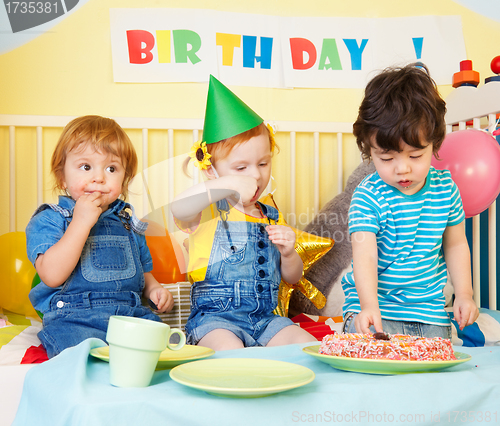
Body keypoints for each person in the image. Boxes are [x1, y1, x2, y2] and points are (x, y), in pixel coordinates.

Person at [171, 75, 316, 350]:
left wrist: (289, 253)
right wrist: (225, 186)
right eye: (241, 168)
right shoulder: (208, 209)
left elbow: (292, 278)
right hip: (216, 320)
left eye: (263, 163)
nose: (255, 175)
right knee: (232, 355)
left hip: (266, 321)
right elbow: (178, 208)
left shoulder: (270, 214)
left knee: (306, 349)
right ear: (211, 170)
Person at [341, 63, 479, 339]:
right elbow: (364, 256)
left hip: (430, 314)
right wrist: (368, 305)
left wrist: (465, 294)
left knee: (435, 370)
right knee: (370, 360)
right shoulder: (368, 196)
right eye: (387, 158)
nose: (402, 169)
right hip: (377, 312)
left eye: (415, 156)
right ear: (369, 150)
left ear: (435, 144)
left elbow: (455, 244)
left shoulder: (446, 189)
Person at [26, 115, 174, 358]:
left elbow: (143, 273)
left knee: (165, 348)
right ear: (62, 176)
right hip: (75, 319)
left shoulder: (128, 222)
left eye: (111, 168)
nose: (99, 177)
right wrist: (80, 222)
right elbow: (51, 276)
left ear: (124, 179)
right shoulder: (51, 219)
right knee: (80, 356)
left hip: (129, 316)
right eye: (86, 167)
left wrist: (155, 289)